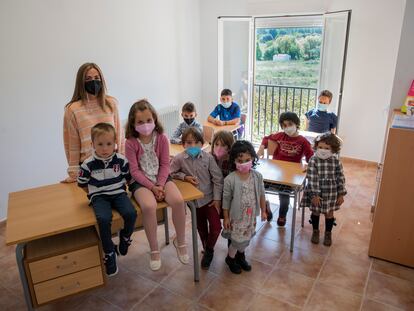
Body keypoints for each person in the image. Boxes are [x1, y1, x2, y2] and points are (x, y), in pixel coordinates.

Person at [125, 99, 188, 271]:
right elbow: (134, 171)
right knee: (149, 206)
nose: (145, 125)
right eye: (140, 122)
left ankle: (181, 242)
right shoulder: (130, 143)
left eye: (148, 120)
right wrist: (152, 188)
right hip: (141, 182)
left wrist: (159, 184)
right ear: (133, 123)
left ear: (154, 120)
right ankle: (154, 249)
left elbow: (165, 164)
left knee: (178, 201)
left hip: (162, 178)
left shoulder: (161, 138)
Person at [77, 123, 137, 276]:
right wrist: (94, 193)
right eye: (100, 144)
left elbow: (128, 179)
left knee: (131, 213)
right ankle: (109, 252)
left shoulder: (121, 161)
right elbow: (82, 184)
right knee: (103, 219)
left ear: (115, 144)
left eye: (109, 144)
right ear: (92, 145)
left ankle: (125, 238)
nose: (105, 148)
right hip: (99, 197)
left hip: (118, 193)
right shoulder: (87, 165)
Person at [170, 127, 223, 270]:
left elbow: (218, 180)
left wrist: (217, 199)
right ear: (183, 144)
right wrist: (184, 177)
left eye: (195, 142)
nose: (192, 146)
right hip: (194, 202)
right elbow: (170, 173)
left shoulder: (209, 158)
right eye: (188, 143)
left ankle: (210, 250)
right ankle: (206, 249)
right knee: (201, 227)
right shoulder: (179, 158)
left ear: (202, 144)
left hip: (210, 199)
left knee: (216, 227)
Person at [63, 62, 124, 183]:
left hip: (113, 165)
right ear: (81, 82)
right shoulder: (73, 109)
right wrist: (74, 174)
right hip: (88, 168)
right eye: (88, 79)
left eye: (97, 78)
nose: (94, 82)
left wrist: (124, 163)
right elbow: (72, 145)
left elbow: (120, 137)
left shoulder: (111, 103)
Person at [257, 112, 313, 226]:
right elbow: (266, 138)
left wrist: (311, 164)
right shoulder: (281, 136)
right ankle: (266, 205)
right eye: (284, 125)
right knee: (258, 187)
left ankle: (282, 216)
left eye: (290, 124)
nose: (287, 127)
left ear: (296, 124)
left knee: (284, 198)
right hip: (275, 172)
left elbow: (310, 158)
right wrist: (262, 147)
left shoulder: (303, 141)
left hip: (289, 177)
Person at [222, 141, 267, 274]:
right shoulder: (230, 179)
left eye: (247, 160)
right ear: (234, 160)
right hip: (236, 217)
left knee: (245, 237)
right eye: (240, 160)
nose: (244, 163)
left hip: (250, 216)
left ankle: (241, 257)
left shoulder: (257, 176)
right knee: (236, 240)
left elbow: (262, 194)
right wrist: (225, 217)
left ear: (253, 158)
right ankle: (230, 258)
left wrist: (264, 211)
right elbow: (226, 200)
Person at [300, 133, 346, 246]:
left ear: (333, 149)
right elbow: (312, 178)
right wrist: (315, 195)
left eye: (327, 148)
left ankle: (328, 233)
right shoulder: (313, 160)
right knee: (315, 211)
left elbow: (341, 177)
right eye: (320, 147)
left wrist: (341, 194)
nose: (323, 150)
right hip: (316, 191)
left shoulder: (336, 161)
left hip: (331, 192)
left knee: (329, 213)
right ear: (316, 147)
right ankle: (315, 231)